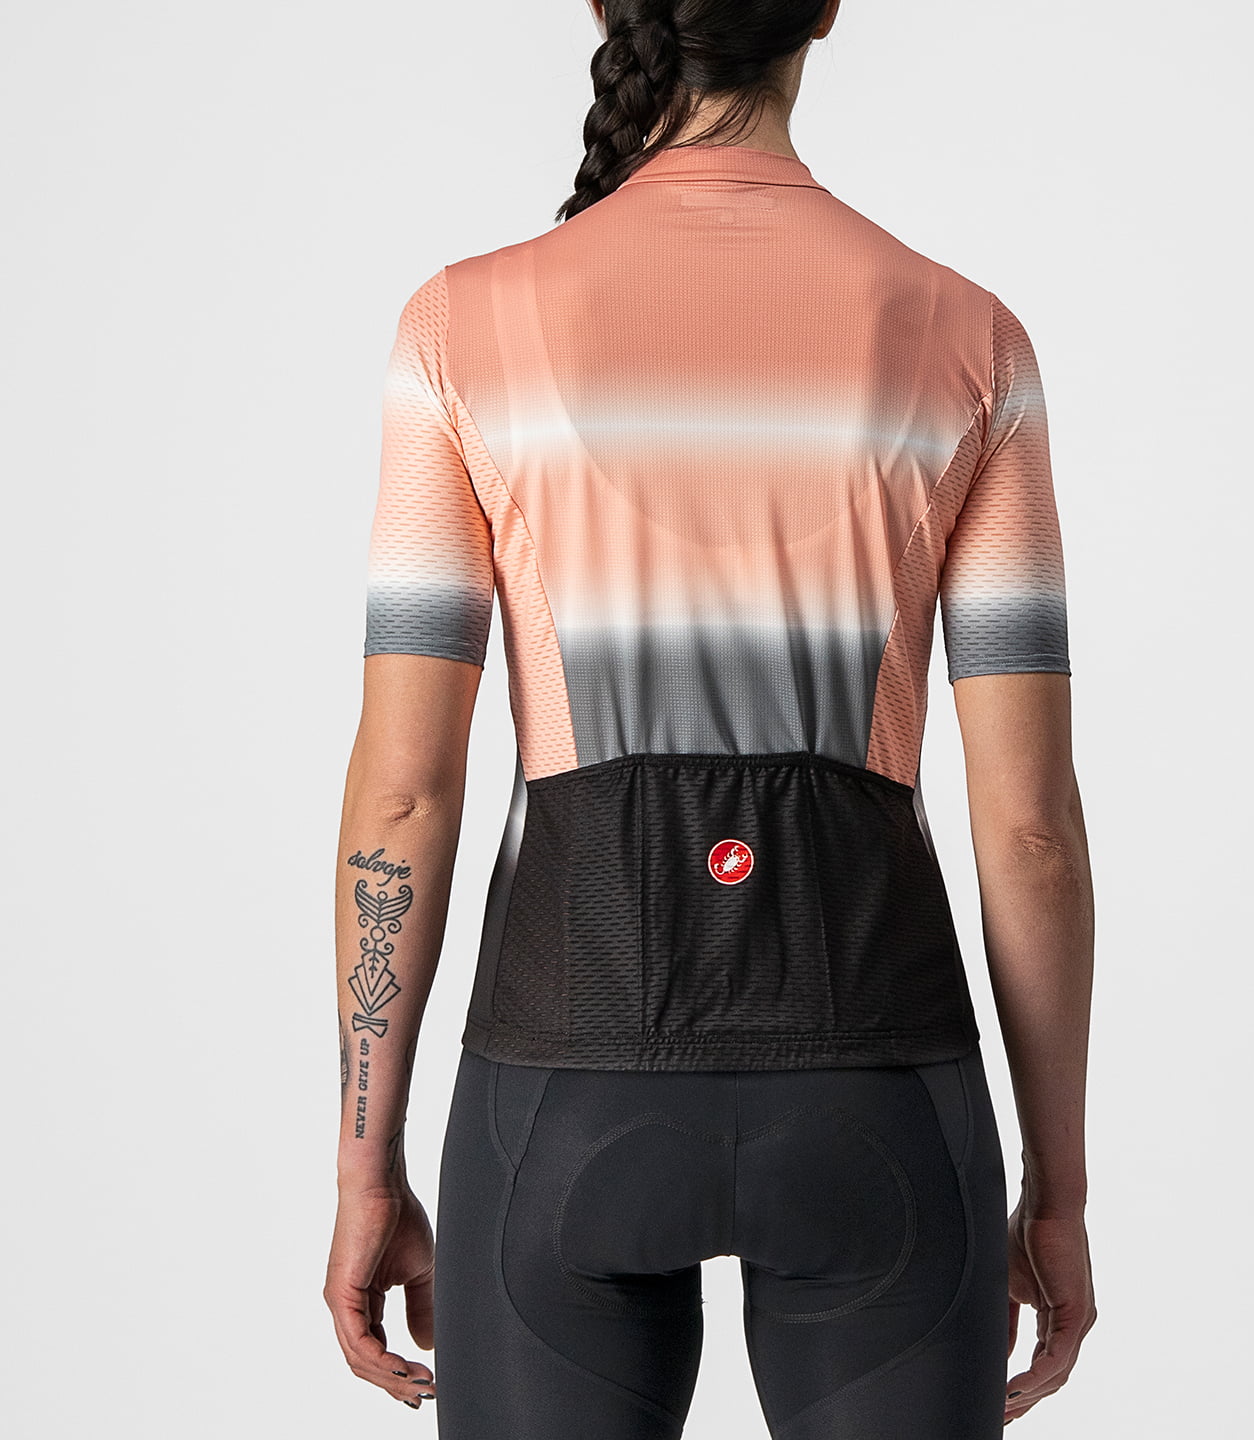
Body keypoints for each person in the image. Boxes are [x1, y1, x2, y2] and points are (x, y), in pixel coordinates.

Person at [324, 1, 1097, 1434]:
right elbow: (1032, 830)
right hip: (877, 1086)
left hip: (561, 1082)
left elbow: (402, 799)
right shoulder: (970, 337)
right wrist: (1059, 1187)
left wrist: (365, 1166)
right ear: (823, 11)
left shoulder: (460, 326)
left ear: (607, 8)